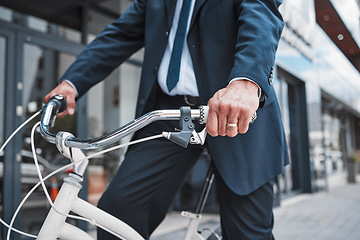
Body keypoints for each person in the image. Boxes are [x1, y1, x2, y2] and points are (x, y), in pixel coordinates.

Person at [44, 0, 289, 239]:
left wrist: (246, 81)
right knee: (118, 212)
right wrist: (72, 83)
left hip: (234, 111)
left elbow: (261, 15)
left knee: (247, 233)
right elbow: (119, 34)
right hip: (172, 114)